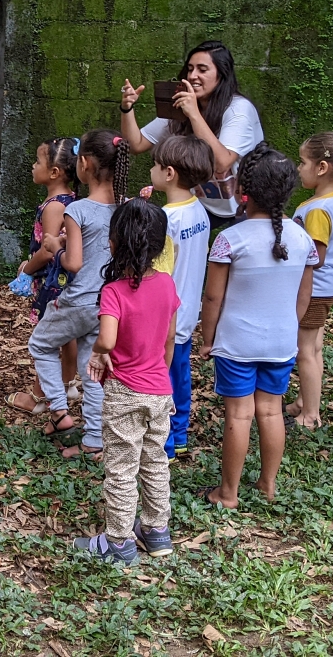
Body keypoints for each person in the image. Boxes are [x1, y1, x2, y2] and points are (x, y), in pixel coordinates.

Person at [198, 143, 317, 508]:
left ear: (243, 190)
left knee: (239, 413)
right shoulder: (303, 240)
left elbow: (213, 299)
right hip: (281, 344)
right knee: (270, 410)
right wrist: (285, 327)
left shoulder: (230, 240)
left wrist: (207, 339)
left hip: (237, 344)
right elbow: (303, 300)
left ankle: (228, 493)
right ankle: (268, 485)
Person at [73, 199, 179, 567]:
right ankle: (156, 530)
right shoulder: (166, 285)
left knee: (121, 467)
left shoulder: (115, 292)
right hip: (160, 391)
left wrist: (101, 353)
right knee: (154, 460)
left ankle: (118, 541)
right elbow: (169, 339)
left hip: (125, 392)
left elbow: (107, 337)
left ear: (114, 243)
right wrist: (159, 372)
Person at [25, 129, 131, 460]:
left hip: (78, 300)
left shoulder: (78, 210)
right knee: (93, 372)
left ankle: (58, 413)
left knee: (40, 344)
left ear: (83, 164)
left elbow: (73, 263)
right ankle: (93, 442)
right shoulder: (127, 209)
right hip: (108, 304)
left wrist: (55, 248)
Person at [119, 41, 264, 228]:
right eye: (190, 69)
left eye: (202, 70)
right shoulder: (182, 106)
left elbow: (221, 163)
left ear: (222, 75)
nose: (193, 76)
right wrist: (127, 108)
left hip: (243, 207)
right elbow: (136, 144)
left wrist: (194, 114)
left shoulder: (238, 110)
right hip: (202, 205)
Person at [148, 135, 214, 460]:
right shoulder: (199, 210)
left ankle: (167, 445)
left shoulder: (167, 219)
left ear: (169, 173)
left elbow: (159, 272)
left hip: (166, 316)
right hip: (188, 312)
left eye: (155, 165)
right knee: (180, 374)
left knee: (163, 378)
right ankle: (181, 432)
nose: (152, 169)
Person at [284, 131, 333, 430]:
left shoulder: (317, 211)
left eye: (302, 162)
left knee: (306, 351)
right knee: (314, 347)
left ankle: (310, 414)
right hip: (325, 288)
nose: (299, 168)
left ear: (321, 168)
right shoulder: (331, 200)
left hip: (314, 290)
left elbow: (316, 257)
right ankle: (304, 401)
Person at [6, 138, 80, 415]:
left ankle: (38, 396)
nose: (32, 166)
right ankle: (68, 382)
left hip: (51, 282)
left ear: (54, 173)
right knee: (67, 334)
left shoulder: (54, 206)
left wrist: (27, 269)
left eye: (38, 162)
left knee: (45, 339)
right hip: (64, 282)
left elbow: (49, 251)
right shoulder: (70, 200)